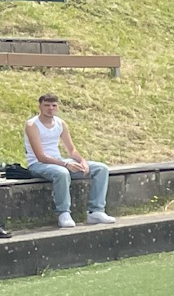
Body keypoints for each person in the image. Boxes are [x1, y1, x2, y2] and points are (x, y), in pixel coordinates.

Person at [24, 93, 115, 228]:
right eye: (47, 105)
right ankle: (63, 213)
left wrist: (82, 161)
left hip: (59, 161)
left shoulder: (60, 123)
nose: (50, 108)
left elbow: (71, 149)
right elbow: (40, 156)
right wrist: (66, 164)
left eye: (54, 105)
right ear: (40, 107)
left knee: (101, 168)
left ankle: (95, 211)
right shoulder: (32, 125)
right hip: (38, 165)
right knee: (62, 173)